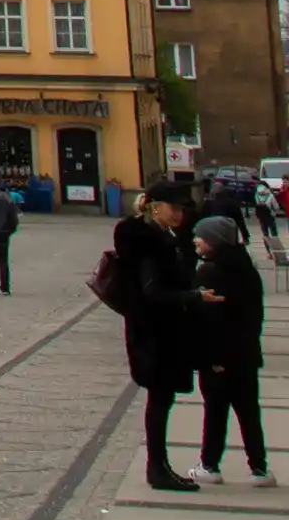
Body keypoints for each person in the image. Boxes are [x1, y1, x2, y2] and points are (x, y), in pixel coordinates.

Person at [111, 181, 210, 492]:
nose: (180, 214)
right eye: (174, 208)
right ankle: (157, 467)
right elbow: (153, 292)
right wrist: (193, 296)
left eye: (182, 209)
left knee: (161, 400)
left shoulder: (162, 237)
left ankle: (159, 465)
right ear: (155, 208)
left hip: (158, 331)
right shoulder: (151, 243)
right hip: (156, 333)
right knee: (160, 400)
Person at [191, 212, 272, 485]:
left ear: (215, 241)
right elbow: (254, 317)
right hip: (246, 355)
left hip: (219, 357)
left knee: (215, 412)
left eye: (201, 237)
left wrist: (214, 357)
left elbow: (209, 319)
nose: (196, 240)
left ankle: (209, 464)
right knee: (249, 412)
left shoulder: (209, 272)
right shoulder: (248, 270)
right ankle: (259, 468)